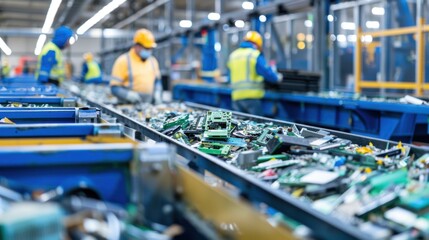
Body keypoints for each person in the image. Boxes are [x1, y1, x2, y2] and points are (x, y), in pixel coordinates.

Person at [227, 31, 280, 116]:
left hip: (236, 96)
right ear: (257, 44)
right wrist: (277, 78)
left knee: (239, 125)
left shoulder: (233, 55)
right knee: (256, 125)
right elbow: (267, 73)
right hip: (252, 97)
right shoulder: (254, 55)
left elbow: (229, 78)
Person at [110, 28, 162, 104]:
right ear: (137, 46)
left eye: (150, 48)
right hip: (127, 105)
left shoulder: (153, 61)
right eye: (146, 48)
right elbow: (114, 88)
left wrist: (158, 93)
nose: (149, 51)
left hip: (148, 105)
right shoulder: (123, 61)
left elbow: (157, 81)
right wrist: (128, 95)